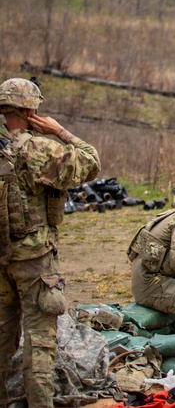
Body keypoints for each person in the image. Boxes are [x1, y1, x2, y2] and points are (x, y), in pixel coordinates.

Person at [0, 77, 101, 408]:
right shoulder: (39, 149)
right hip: (36, 261)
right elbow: (90, 161)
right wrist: (59, 131)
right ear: (30, 112)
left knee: (2, 338)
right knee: (40, 342)